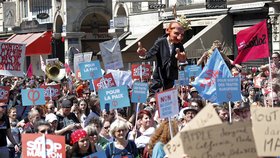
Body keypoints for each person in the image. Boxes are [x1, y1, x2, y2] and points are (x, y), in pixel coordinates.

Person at [137, 21, 187, 95]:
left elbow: (184, 60)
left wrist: (182, 60)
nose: (179, 37)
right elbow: (150, 54)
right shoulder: (160, 42)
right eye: (176, 33)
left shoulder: (179, 45)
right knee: (156, 97)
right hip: (159, 77)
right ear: (168, 31)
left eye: (182, 35)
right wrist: (143, 54)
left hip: (171, 78)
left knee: (168, 99)